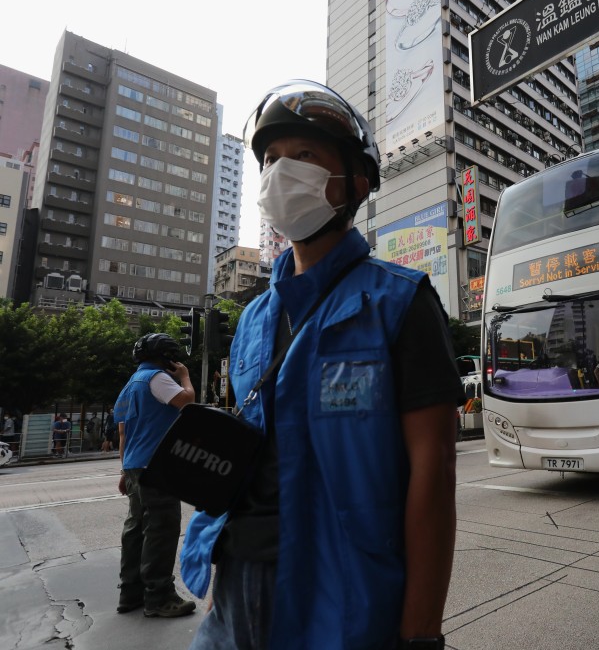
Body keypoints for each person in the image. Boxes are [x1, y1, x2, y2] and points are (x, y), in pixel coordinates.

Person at [181, 80, 463, 650]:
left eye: (305, 156)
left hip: (343, 603)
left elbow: (433, 477)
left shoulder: (400, 302)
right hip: (233, 592)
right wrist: (224, 567)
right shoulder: (253, 319)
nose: (281, 173)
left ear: (355, 183)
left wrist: (421, 633)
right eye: (271, 160)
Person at [113, 333, 197, 618]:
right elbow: (186, 401)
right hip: (157, 465)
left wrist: (125, 471)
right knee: (161, 530)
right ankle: (159, 597)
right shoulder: (156, 378)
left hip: (136, 466)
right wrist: (184, 376)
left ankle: (130, 593)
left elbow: (123, 433)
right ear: (167, 358)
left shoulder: (128, 386)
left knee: (135, 530)